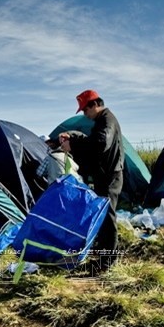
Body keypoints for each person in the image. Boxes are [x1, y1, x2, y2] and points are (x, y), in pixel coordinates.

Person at [59, 90, 124, 266]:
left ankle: (109, 261)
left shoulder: (107, 120)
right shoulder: (100, 121)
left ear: (95, 105)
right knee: (102, 215)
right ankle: (104, 253)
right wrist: (72, 137)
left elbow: (100, 143)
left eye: (85, 110)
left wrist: (73, 144)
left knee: (107, 216)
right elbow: (92, 141)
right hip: (103, 175)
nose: (85, 114)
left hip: (111, 176)